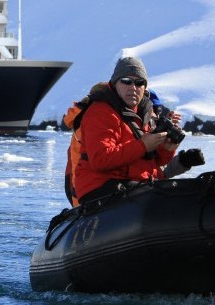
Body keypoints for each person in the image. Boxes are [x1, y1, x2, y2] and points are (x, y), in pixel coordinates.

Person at [72, 56, 203, 205]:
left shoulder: (143, 113)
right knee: (166, 200)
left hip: (133, 187)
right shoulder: (101, 112)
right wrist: (143, 145)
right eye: (126, 81)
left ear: (144, 87)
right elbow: (100, 159)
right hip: (101, 188)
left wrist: (166, 149)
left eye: (139, 82)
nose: (133, 87)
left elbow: (153, 162)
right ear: (115, 83)